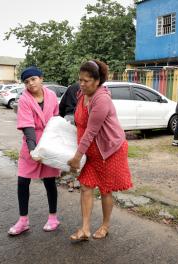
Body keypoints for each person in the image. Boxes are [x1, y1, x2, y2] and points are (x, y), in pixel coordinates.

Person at [67, 60, 133, 241]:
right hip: (91, 152)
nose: (81, 83)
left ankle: (105, 226)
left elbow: (91, 131)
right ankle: (85, 229)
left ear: (97, 81)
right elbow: (80, 124)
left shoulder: (102, 99)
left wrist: (76, 157)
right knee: (86, 187)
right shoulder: (82, 95)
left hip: (109, 151)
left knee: (105, 189)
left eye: (86, 80)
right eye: (80, 79)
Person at [8, 66, 61, 235]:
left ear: (41, 78)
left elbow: (55, 119)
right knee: (23, 181)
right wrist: (32, 150)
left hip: (49, 142)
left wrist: (56, 142)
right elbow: (27, 125)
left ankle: (53, 217)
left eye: (33, 79)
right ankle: (23, 220)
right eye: (26, 81)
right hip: (31, 142)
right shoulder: (24, 99)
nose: (30, 84)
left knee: (49, 181)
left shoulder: (52, 96)